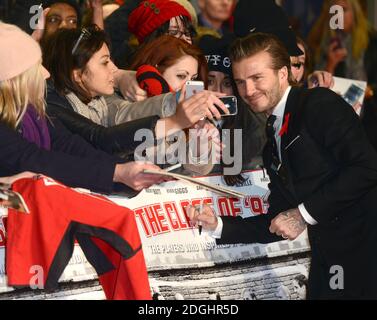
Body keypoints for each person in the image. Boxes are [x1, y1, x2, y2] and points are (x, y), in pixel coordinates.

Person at [188, 32, 377, 300]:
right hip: (331, 264)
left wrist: (302, 215)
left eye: (257, 78)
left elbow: (366, 167)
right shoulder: (272, 140)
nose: (248, 91)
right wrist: (217, 225)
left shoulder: (317, 103)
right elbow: (277, 220)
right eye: (240, 82)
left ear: (283, 74)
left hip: (367, 256)